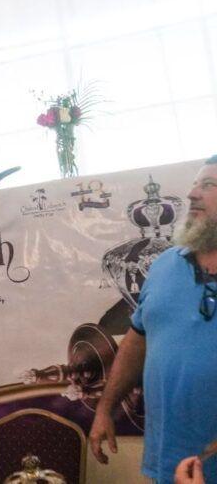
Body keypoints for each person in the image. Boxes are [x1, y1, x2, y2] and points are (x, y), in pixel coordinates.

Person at [89, 155, 217, 484]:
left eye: (208, 185)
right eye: (194, 184)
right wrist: (106, 408)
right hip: (169, 460)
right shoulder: (164, 265)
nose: (192, 194)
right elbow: (137, 341)